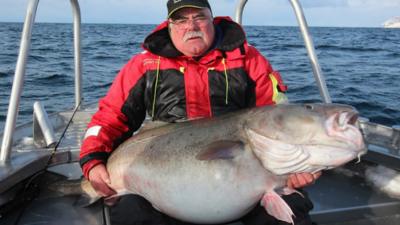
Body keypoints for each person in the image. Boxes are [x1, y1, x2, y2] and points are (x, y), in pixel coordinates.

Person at [79, 0, 321, 224]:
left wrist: (301, 166)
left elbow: (277, 118)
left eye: (199, 17)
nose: (191, 26)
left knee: (292, 211)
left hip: (245, 183)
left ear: (212, 19)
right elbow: (109, 118)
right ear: (169, 25)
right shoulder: (144, 65)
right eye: (181, 20)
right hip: (162, 187)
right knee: (131, 213)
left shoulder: (249, 60)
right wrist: (93, 161)